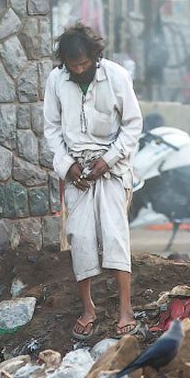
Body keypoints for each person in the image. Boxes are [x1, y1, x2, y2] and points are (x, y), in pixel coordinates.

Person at [43, 22, 143, 339]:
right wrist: (67, 166)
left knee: (115, 235)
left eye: (85, 63)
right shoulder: (56, 81)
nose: (81, 69)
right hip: (77, 172)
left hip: (111, 167)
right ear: (65, 64)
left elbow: (133, 125)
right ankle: (88, 309)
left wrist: (108, 160)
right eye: (74, 66)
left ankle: (126, 310)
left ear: (94, 57)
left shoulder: (116, 76)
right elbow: (52, 130)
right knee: (81, 238)